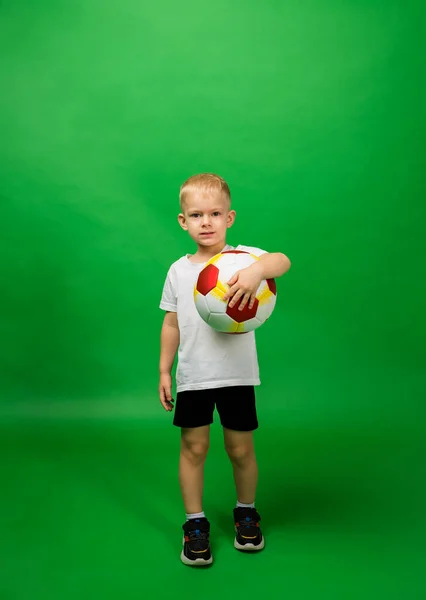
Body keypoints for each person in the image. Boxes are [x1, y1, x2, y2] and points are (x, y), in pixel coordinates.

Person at [158, 173, 291, 566]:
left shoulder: (244, 259)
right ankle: (194, 524)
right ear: (183, 221)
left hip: (237, 376)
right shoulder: (178, 271)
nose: (206, 222)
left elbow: (281, 261)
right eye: (196, 214)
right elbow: (171, 323)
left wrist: (254, 273)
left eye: (215, 213)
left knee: (240, 448)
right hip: (194, 377)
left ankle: (246, 512)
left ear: (229, 217)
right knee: (193, 448)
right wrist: (165, 371)